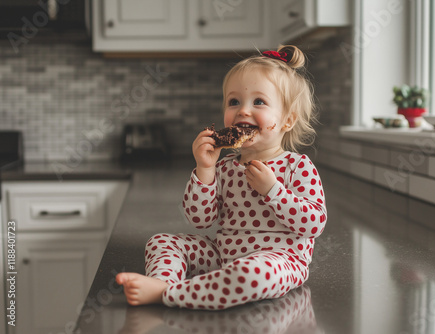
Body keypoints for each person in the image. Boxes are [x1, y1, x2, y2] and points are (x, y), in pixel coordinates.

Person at [116, 45, 327, 310]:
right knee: (161, 241)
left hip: (278, 261)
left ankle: (169, 294)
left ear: (287, 120)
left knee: (252, 275)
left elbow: (314, 224)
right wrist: (204, 169)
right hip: (222, 253)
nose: (243, 111)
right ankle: (162, 281)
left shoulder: (297, 166)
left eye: (259, 102)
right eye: (234, 101)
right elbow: (200, 221)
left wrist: (273, 190)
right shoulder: (225, 166)